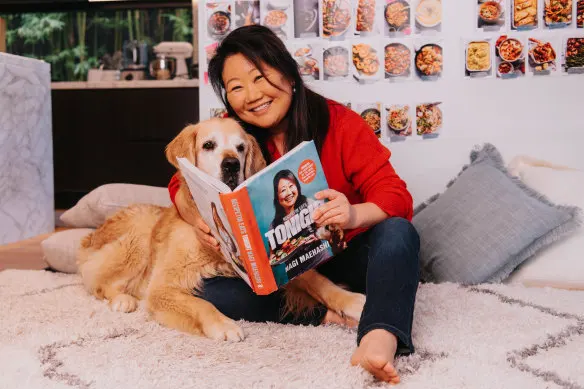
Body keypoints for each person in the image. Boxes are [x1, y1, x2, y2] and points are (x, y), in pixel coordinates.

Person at [168, 25, 420, 384]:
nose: (252, 95)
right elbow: (180, 181)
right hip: (286, 271)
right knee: (211, 292)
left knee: (399, 233)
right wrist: (199, 220)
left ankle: (379, 336)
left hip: (344, 253)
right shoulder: (231, 132)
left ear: (289, 74)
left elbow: (395, 195)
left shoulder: (341, 123)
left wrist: (351, 214)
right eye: (236, 88)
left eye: (260, 77)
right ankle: (325, 316)